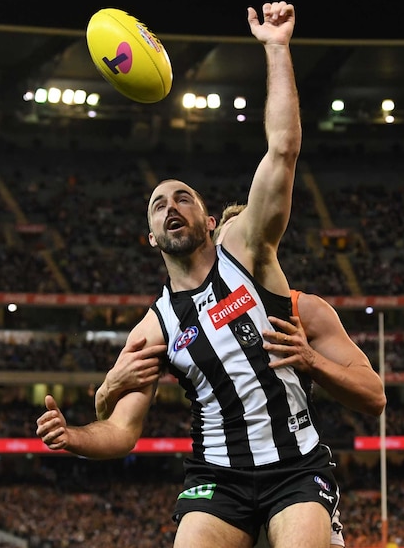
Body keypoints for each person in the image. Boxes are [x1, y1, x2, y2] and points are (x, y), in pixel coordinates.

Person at [38, 0, 339, 548]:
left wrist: (276, 48)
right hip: (217, 480)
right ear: (151, 237)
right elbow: (122, 430)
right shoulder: (154, 328)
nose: (170, 205)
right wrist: (74, 437)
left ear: (208, 218)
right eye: (157, 204)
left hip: (294, 468)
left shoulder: (246, 250)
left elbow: (283, 149)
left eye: (183, 197)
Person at [93, 203, 386, 548]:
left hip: (295, 474)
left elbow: (374, 397)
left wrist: (311, 360)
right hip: (224, 484)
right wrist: (106, 390)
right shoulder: (175, 322)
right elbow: (117, 425)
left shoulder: (302, 310)